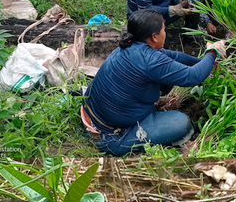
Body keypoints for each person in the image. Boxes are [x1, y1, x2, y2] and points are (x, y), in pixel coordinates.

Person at [81, 9, 226, 156]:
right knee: (181, 122)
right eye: (164, 30)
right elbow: (193, 76)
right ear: (154, 37)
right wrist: (212, 52)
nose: (166, 33)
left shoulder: (131, 45)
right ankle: (129, 140)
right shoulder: (151, 60)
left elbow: (175, 56)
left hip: (92, 116)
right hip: (110, 137)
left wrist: (203, 63)